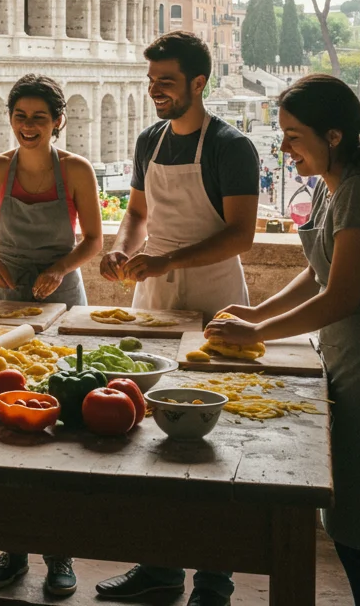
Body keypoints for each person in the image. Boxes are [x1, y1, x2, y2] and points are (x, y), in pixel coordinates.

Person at [205, 75, 360, 605]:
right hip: (352, 358)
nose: (284, 147)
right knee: (353, 519)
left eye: (293, 136)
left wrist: (257, 331)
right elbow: (317, 271)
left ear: (333, 136)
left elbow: (342, 295)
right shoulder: (332, 184)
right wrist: (258, 311)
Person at [96, 32, 259, 606]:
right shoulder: (150, 140)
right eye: (151, 81)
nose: (154, 90)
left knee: (216, 442)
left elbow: (241, 234)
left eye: (165, 81)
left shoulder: (232, 147)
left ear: (199, 82)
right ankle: (159, 567)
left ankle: (215, 581)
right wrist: (123, 248)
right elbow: (137, 213)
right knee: (151, 432)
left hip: (216, 297)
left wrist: (169, 259)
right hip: (155, 298)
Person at [0, 74, 102, 598]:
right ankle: (12, 548)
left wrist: (60, 267)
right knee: (4, 420)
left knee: (60, 422)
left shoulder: (76, 170)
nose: (28, 126)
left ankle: (58, 550)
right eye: (20, 116)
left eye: (39, 118)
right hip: (4, 295)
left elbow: (93, 240)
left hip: (60, 292)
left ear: (57, 122)